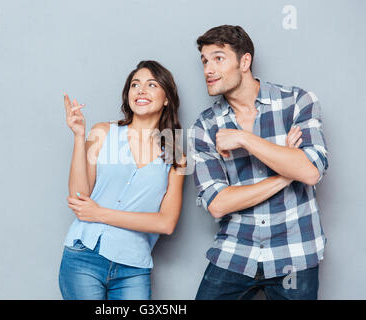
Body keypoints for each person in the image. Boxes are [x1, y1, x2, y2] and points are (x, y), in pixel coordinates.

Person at [189, 25, 328, 300]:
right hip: (235, 252)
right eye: (204, 61)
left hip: (294, 252)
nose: (208, 69)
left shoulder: (297, 102)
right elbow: (217, 204)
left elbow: (311, 172)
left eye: (218, 58)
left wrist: (244, 139)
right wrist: (287, 174)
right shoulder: (205, 126)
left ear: (244, 61)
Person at [58, 60, 186, 300]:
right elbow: (79, 199)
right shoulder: (102, 132)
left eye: (151, 84)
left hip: (133, 267)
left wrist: (99, 214)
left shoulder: (177, 157)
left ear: (167, 98)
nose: (141, 91)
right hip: (84, 256)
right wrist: (78, 136)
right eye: (135, 85)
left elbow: (166, 223)